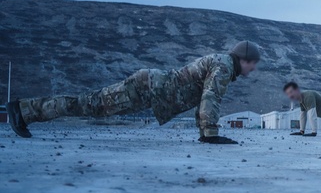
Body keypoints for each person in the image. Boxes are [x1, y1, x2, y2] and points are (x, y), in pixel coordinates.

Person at [7, 41, 261, 144]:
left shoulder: (223, 64)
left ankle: (25, 111)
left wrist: (205, 133)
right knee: (89, 105)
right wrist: (211, 134)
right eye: (254, 63)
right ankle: (24, 110)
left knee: (91, 105)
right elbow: (210, 97)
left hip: (149, 89)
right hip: (147, 88)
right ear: (245, 59)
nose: (254, 69)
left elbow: (203, 95)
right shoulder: (225, 66)